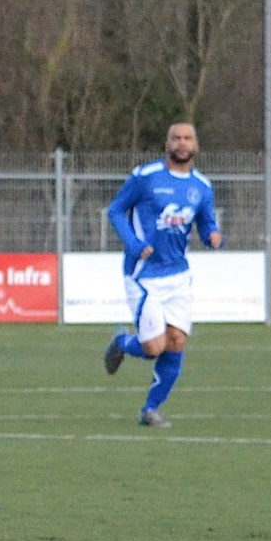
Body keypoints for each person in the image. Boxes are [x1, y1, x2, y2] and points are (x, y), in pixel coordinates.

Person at [100, 122, 224, 427]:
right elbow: (115, 210)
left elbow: (206, 222)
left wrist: (212, 235)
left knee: (177, 341)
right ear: (167, 144)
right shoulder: (146, 176)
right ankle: (122, 342)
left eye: (187, 138)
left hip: (178, 275)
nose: (181, 143)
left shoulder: (201, 186)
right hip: (143, 275)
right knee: (154, 347)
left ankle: (150, 410)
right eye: (176, 138)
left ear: (196, 145)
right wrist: (133, 244)